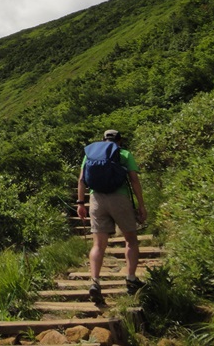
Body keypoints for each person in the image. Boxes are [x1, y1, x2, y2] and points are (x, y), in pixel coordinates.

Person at [77, 129, 147, 302]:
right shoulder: (124, 154)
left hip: (96, 200)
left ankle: (95, 282)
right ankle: (131, 279)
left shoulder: (90, 154)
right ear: (119, 141)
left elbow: (81, 180)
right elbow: (134, 180)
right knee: (131, 240)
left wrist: (80, 203)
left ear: (103, 140)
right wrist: (141, 205)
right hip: (119, 199)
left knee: (98, 244)